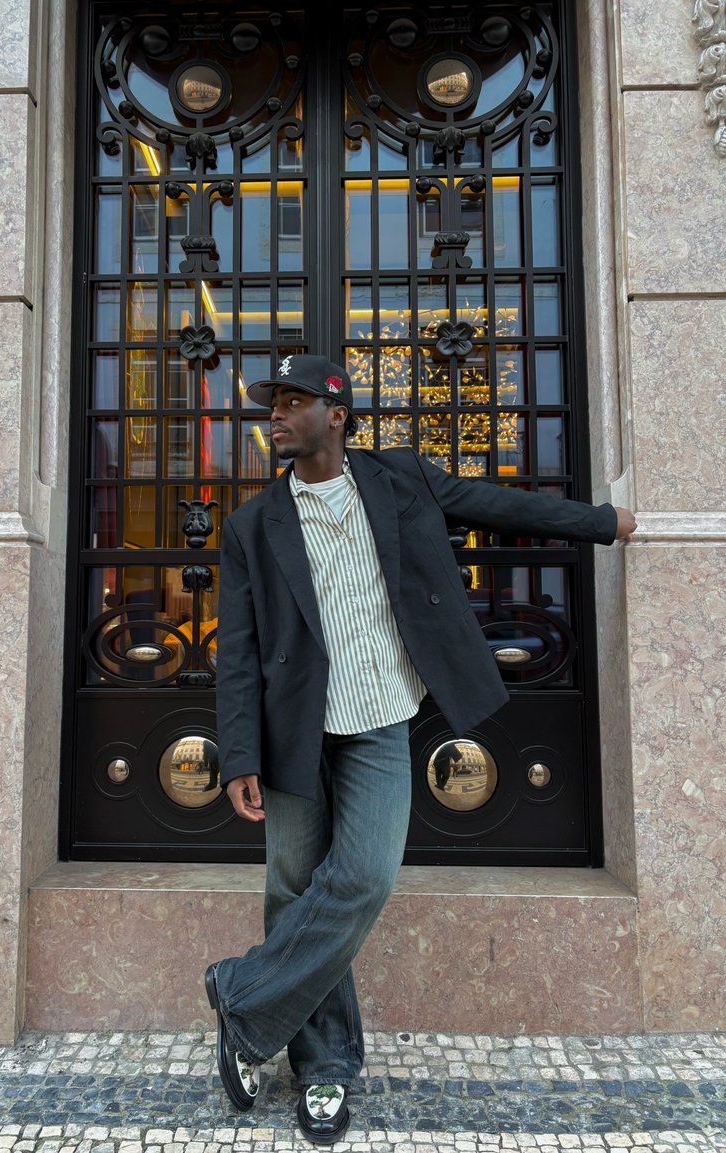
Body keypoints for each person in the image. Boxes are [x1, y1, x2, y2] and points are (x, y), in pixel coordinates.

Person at [204, 353, 636, 1144]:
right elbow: (237, 651)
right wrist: (239, 756)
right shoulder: (250, 526)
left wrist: (602, 522)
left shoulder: (400, 479)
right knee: (294, 890)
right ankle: (324, 1068)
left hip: (380, 719)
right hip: (292, 732)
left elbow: (500, 502)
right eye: (272, 402)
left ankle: (240, 995)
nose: (274, 413)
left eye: (292, 400)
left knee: (363, 876)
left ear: (336, 413)